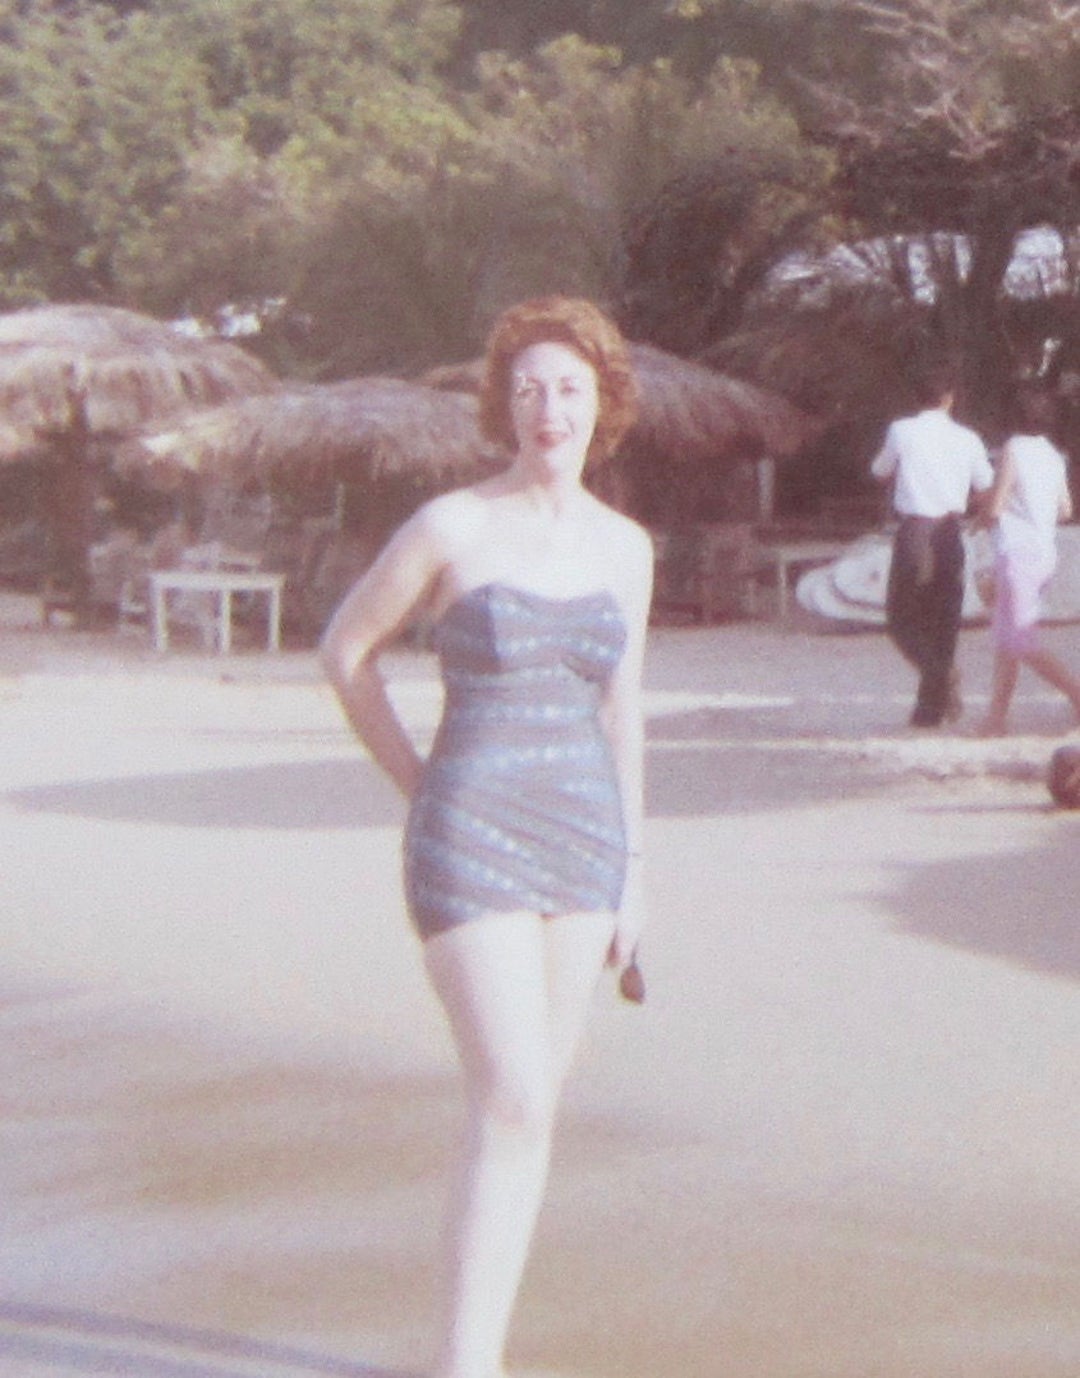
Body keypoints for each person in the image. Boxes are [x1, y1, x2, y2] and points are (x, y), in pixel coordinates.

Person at [320, 296, 653, 1378]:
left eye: (567, 387)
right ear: (502, 408)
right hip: (469, 829)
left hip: (585, 844)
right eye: (526, 389)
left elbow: (622, 708)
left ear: (602, 402)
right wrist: (419, 785)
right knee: (509, 1088)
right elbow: (345, 654)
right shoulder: (451, 526)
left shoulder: (627, 549)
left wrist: (636, 870)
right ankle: (464, 1365)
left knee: (531, 1108)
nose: (546, 408)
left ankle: (479, 1351)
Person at [871, 365, 994, 727]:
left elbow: (880, 471)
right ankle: (935, 695)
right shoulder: (968, 438)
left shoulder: (901, 431)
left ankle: (935, 687)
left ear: (916, 397)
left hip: (916, 531)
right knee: (944, 620)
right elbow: (985, 485)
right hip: (950, 531)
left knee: (901, 617)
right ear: (950, 398)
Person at [976, 385, 1080, 736]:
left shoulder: (1013, 449)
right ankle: (996, 718)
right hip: (1044, 551)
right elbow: (1065, 509)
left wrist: (984, 512)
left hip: (1017, 551)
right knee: (1008, 639)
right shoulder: (1053, 454)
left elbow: (995, 504)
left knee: (1019, 640)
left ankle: (1077, 694)